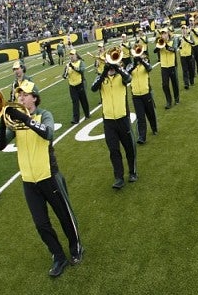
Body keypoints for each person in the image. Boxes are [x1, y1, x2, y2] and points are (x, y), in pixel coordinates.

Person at [0, 81, 83, 277]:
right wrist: (3, 124)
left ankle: (76, 246)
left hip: (49, 176)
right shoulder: (15, 123)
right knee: (41, 224)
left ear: (34, 97)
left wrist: (25, 119)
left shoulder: (44, 115)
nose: (20, 98)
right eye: (19, 95)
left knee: (64, 216)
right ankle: (58, 256)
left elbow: (48, 133)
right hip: (29, 181)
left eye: (24, 95)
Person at [91, 55, 137, 189]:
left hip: (123, 118)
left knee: (129, 147)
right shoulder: (101, 77)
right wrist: (104, 72)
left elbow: (129, 78)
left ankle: (133, 171)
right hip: (108, 121)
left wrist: (117, 68)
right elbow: (93, 88)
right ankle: (119, 177)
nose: (110, 67)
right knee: (114, 150)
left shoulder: (122, 76)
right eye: (108, 63)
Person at [127, 45, 158, 143]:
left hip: (146, 93)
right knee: (140, 117)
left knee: (150, 113)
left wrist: (141, 60)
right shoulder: (129, 66)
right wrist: (134, 63)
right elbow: (127, 74)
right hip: (136, 95)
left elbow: (149, 68)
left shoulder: (145, 63)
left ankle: (154, 128)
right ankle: (142, 137)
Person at [154, 28, 181, 110]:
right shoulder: (160, 42)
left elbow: (174, 50)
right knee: (165, 85)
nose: (164, 35)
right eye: (162, 34)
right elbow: (155, 51)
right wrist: (160, 45)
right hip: (164, 67)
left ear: (168, 34)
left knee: (174, 83)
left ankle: (177, 98)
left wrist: (166, 45)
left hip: (172, 65)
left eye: (165, 33)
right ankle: (168, 101)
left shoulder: (173, 40)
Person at [62, 49, 90, 124]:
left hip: (80, 84)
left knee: (83, 100)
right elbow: (64, 75)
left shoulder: (80, 62)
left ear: (76, 55)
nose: (71, 56)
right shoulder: (68, 65)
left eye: (73, 55)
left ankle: (87, 114)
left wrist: (73, 67)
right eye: (70, 55)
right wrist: (65, 73)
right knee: (75, 102)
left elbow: (82, 70)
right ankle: (75, 119)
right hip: (72, 86)